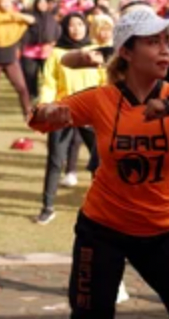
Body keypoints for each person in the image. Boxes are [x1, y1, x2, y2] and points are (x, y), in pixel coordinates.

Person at [29, 9, 169, 318]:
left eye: (166, 42)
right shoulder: (101, 98)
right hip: (102, 230)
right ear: (127, 51)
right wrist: (46, 114)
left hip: (161, 231)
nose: (165, 49)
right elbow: (36, 119)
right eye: (153, 42)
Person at [36, 12, 102, 224]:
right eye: (72, 25)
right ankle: (47, 206)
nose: (76, 29)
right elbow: (49, 82)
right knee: (55, 159)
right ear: (65, 28)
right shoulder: (56, 53)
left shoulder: (95, 51)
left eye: (80, 24)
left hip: (90, 113)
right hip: (62, 112)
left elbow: (104, 82)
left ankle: (101, 204)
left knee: (99, 161)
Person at [21, 0, 60, 102]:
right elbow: (24, 33)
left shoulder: (51, 18)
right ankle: (33, 95)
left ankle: (49, 96)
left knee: (48, 75)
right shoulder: (30, 17)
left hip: (46, 52)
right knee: (30, 75)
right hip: (30, 52)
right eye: (40, 3)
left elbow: (56, 32)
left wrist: (51, 43)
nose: (42, 5)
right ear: (35, 4)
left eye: (44, 3)